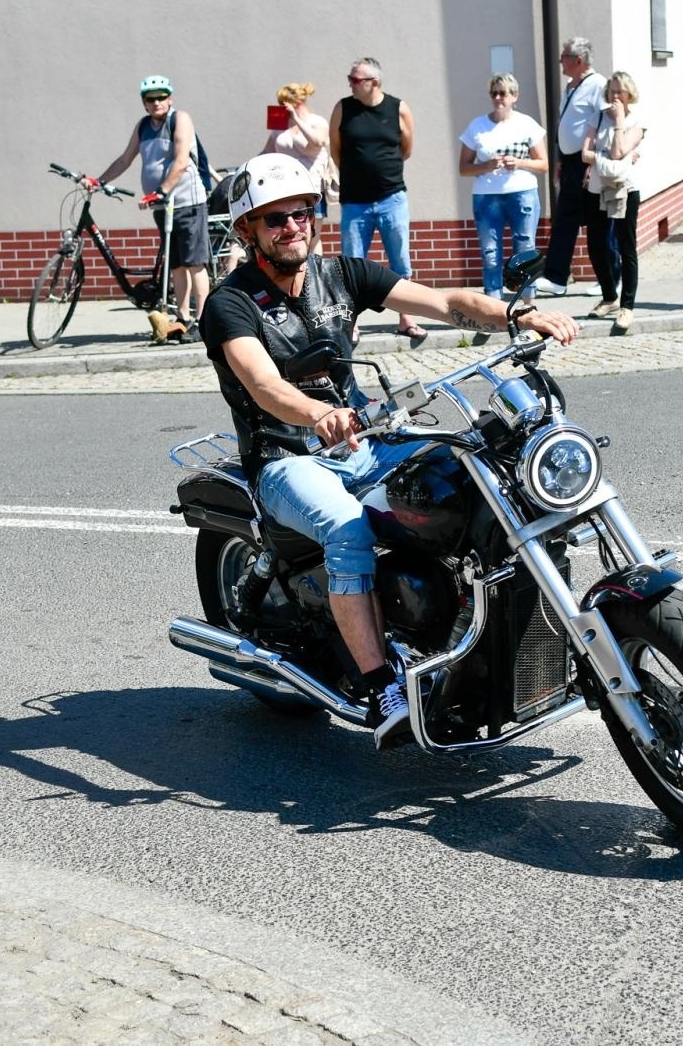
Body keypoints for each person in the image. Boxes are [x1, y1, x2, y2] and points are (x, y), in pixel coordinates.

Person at [198, 154, 578, 748]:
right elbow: (263, 384)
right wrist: (319, 414)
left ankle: (474, 633)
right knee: (349, 530)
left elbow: (444, 301)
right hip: (287, 458)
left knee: (473, 475)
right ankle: (382, 688)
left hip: (365, 441)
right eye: (275, 219)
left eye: (302, 214)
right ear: (248, 230)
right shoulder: (229, 303)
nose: (293, 227)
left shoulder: (340, 274)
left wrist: (517, 313)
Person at [99, 74, 213, 341]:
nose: (157, 102)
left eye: (162, 97)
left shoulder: (179, 119)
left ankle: (204, 320)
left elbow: (182, 159)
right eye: (151, 99)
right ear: (144, 103)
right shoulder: (143, 127)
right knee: (176, 265)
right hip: (162, 206)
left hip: (186, 200)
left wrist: (160, 191)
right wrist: (100, 180)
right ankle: (183, 318)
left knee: (195, 262)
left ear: (170, 98)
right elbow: (125, 159)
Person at [329, 57, 424, 338]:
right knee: (352, 264)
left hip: (391, 197)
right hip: (355, 202)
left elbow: (406, 148)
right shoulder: (343, 108)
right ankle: (353, 323)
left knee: (400, 262)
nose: (350, 83)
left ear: (375, 83)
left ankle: (406, 319)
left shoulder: (398, 108)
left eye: (356, 79)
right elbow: (336, 149)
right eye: (350, 78)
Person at [458, 72, 548, 308]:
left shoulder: (526, 123)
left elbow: (543, 164)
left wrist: (519, 163)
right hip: (487, 196)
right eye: (494, 93)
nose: (499, 98)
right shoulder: (477, 126)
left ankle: (528, 304)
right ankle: (494, 305)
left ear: (514, 96)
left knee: (525, 247)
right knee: (490, 252)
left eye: (504, 93)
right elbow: (463, 168)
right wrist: (485, 165)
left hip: (522, 192)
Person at [537, 37, 613, 298]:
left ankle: (610, 278)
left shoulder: (598, 85)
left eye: (564, 57)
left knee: (597, 222)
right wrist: (560, 158)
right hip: (570, 163)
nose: (560, 61)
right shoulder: (571, 86)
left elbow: (605, 124)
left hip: (588, 163)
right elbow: (566, 124)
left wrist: (594, 161)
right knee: (564, 219)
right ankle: (556, 277)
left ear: (578, 60)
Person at [580, 70, 645, 335]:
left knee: (625, 247)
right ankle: (609, 296)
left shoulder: (636, 122)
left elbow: (619, 150)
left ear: (630, 94)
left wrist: (618, 122)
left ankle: (627, 306)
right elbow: (585, 154)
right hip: (597, 189)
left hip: (625, 192)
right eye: (612, 91)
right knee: (595, 245)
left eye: (620, 91)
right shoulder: (597, 116)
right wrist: (612, 161)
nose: (615, 96)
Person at [262, 81, 333, 255]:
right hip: (286, 190)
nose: (280, 108)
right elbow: (266, 153)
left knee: (312, 235)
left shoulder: (316, 122)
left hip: (312, 187)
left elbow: (318, 141)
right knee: (293, 232)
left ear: (297, 103)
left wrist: (297, 119)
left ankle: (317, 272)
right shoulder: (281, 128)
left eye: (283, 105)